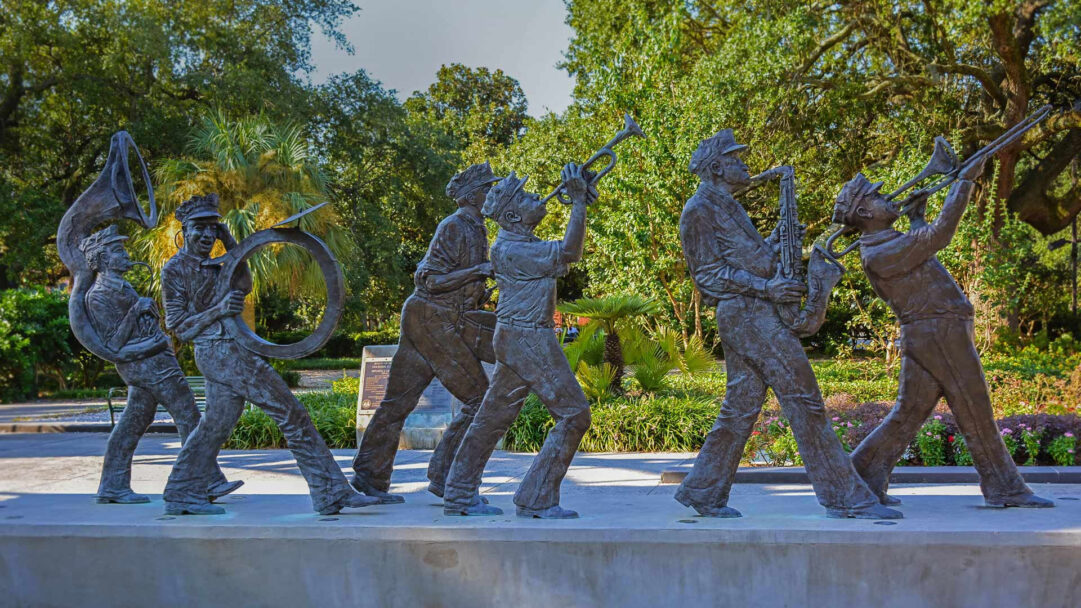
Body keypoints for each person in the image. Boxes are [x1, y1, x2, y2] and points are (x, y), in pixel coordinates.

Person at [676, 129, 900, 519]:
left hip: (751, 312)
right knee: (805, 400)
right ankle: (845, 498)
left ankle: (704, 491)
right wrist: (768, 286)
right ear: (716, 167)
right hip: (748, 315)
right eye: (736, 159)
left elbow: (738, 256)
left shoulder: (724, 204)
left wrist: (774, 244)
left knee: (739, 408)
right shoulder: (699, 210)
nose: (744, 165)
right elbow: (708, 275)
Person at [833, 159, 1053, 509]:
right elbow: (940, 236)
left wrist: (917, 217)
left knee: (909, 412)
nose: (887, 195)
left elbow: (925, 245)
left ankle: (860, 478)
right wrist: (964, 181)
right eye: (877, 196)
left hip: (936, 331)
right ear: (863, 211)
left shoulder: (890, 242)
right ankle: (1003, 487)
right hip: (937, 332)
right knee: (975, 407)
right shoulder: (880, 253)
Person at [159, 194, 378, 515]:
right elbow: (178, 326)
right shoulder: (174, 269)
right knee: (292, 414)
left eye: (212, 228)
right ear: (184, 230)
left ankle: (181, 491)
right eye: (199, 228)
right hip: (218, 352)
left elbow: (244, 283)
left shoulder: (219, 262)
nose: (207, 235)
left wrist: (231, 243)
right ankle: (330, 491)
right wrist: (218, 311)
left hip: (232, 349)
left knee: (214, 428)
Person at [442, 164, 597, 519]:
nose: (536, 197)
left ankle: (459, 492)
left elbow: (564, 250)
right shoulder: (512, 250)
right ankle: (537, 497)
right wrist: (577, 204)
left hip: (518, 336)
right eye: (527, 196)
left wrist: (582, 202)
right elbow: (570, 252)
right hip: (528, 337)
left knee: (491, 419)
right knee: (575, 415)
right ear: (512, 214)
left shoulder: (521, 243)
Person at [350, 162, 500, 503]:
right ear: (474, 196)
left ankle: (369, 478)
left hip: (434, 318)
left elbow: (463, 284)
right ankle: (447, 476)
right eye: (488, 189)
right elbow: (429, 280)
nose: (492, 194)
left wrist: (481, 284)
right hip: (433, 319)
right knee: (480, 398)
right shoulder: (454, 226)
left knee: (396, 403)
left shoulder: (477, 228)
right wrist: (478, 270)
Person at [80, 225, 242, 505]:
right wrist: (138, 312)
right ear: (104, 259)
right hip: (149, 365)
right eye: (118, 250)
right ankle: (205, 481)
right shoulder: (98, 295)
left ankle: (112, 486)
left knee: (133, 423)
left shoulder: (123, 286)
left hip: (154, 361)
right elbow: (114, 344)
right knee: (188, 415)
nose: (125, 254)